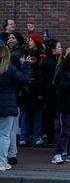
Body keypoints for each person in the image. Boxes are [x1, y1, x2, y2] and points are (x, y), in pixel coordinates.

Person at [0, 43, 31, 171]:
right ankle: (2, 161)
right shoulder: (10, 69)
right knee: (4, 135)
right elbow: (24, 79)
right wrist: (26, 65)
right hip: (8, 106)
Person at [18, 49, 44, 147]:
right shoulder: (23, 66)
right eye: (30, 59)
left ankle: (34, 137)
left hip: (35, 95)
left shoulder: (38, 68)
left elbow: (42, 81)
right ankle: (25, 137)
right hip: (27, 95)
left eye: (33, 59)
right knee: (25, 117)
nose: (31, 61)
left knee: (36, 118)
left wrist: (40, 93)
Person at [40, 39, 62, 147]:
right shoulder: (46, 62)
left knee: (60, 114)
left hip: (59, 91)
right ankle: (50, 137)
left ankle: (56, 137)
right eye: (59, 47)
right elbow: (42, 78)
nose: (61, 48)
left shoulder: (60, 61)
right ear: (53, 49)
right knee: (50, 115)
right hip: (50, 92)